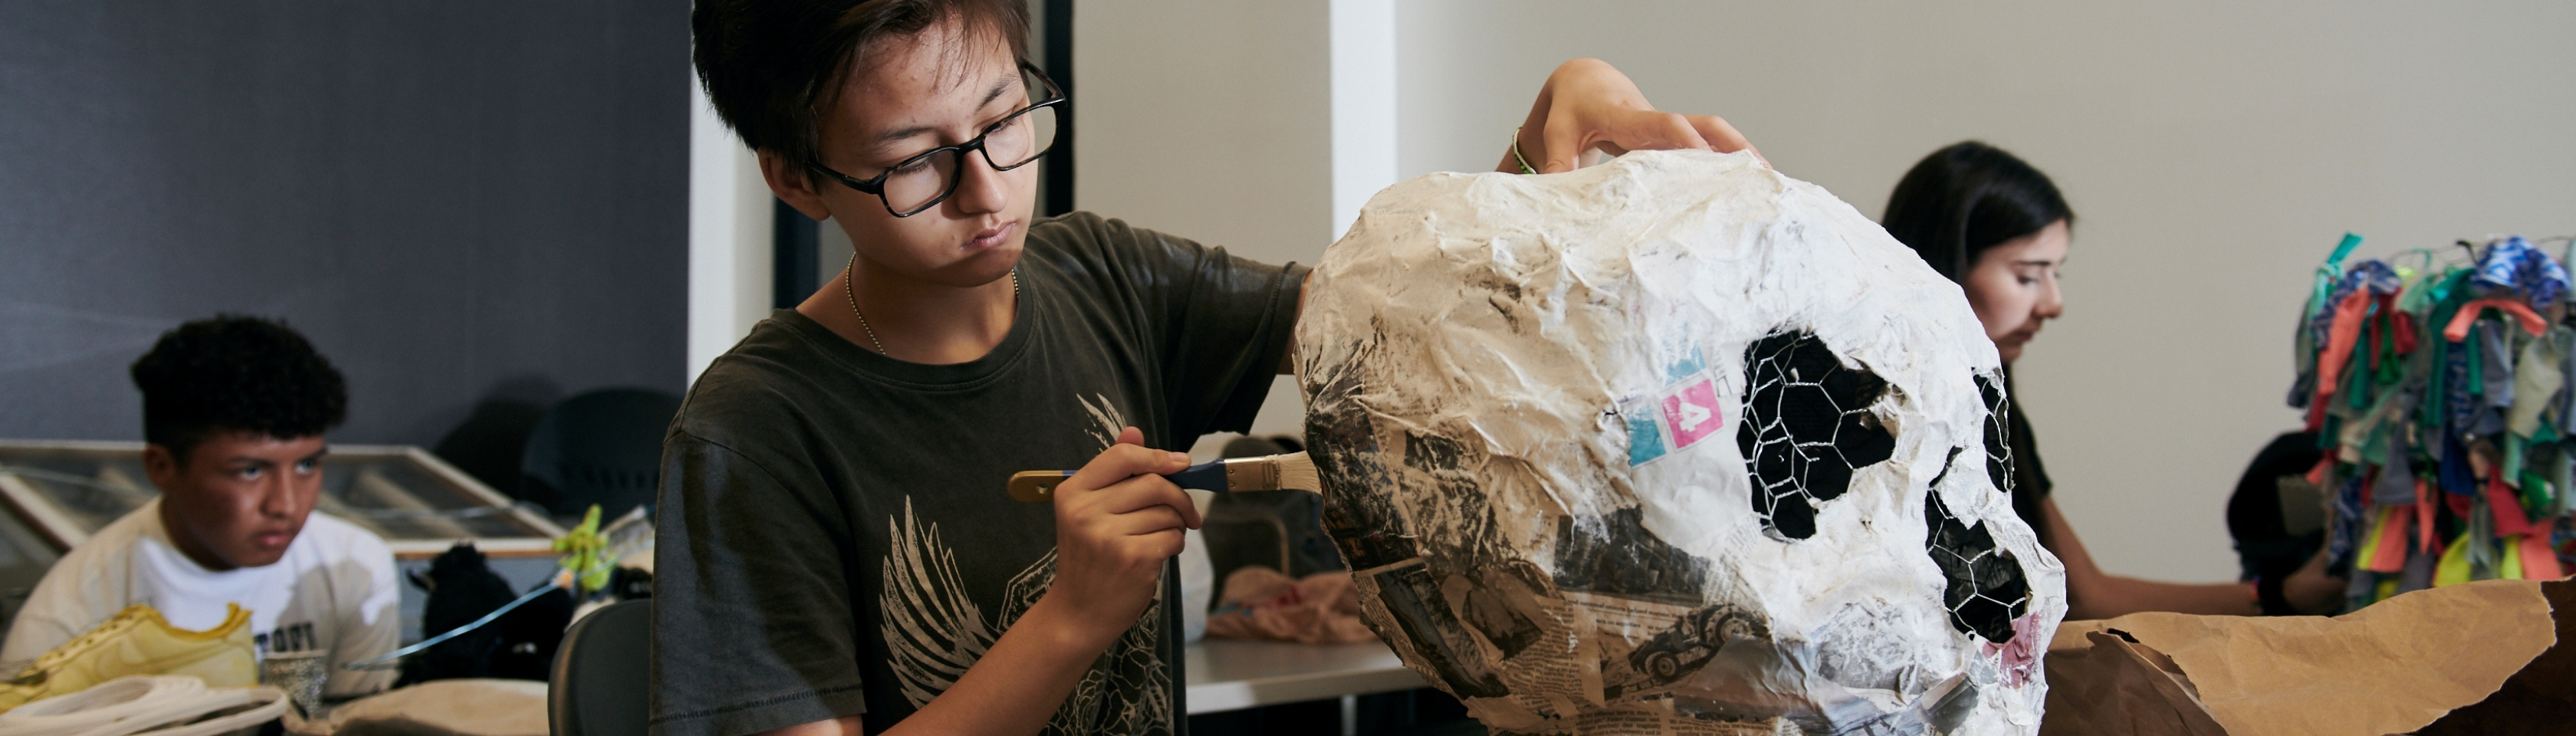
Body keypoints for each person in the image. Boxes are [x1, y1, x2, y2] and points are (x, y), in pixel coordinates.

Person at [656, 1, 1754, 734]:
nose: (988, 192)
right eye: (914, 166)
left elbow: (1418, 321)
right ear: (798, 182)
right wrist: (1070, 620)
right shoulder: (754, 433)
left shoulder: (1105, 279)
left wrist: (1554, 119)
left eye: (1003, 121)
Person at [1879, 141, 2346, 619]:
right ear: (1944, 267)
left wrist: (2279, 595)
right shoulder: (1878, 413)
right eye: (2028, 276)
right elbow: (2082, 598)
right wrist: (2278, 596)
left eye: (2056, 275)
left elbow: (2079, 595)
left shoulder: (1992, 410)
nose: (2053, 305)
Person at [0, 315, 399, 698]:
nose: (287, 505)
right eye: (249, 471)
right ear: (162, 467)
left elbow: (354, 723)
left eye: (307, 465)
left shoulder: (355, 569)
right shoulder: (69, 618)